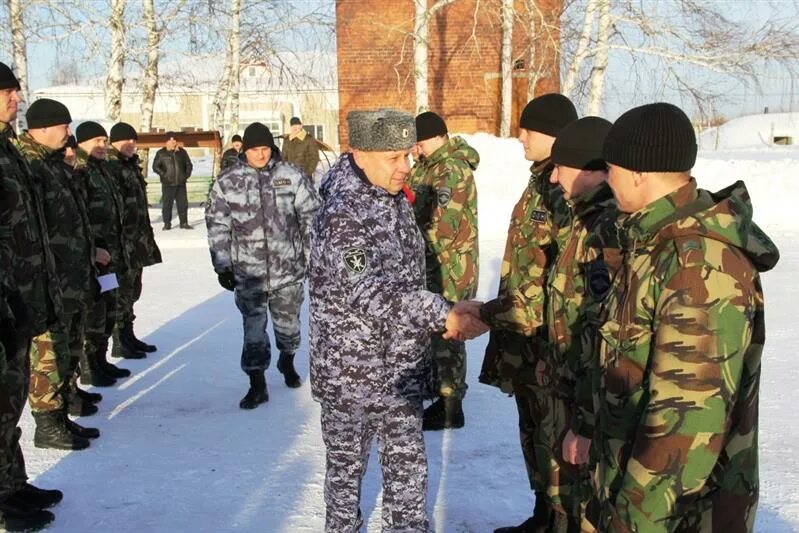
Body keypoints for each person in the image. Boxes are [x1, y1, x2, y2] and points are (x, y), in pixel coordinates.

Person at [588, 102, 779, 532]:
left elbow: (687, 426)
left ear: (638, 171)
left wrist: (631, 521)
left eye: (611, 168)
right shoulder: (650, 243)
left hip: (680, 515)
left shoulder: (699, 266)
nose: (607, 179)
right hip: (636, 498)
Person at [309, 108, 488, 532]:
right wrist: (440, 312)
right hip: (351, 375)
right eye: (393, 157)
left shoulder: (391, 200)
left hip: (401, 368)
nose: (405, 167)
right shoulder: (341, 216)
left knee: (409, 480)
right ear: (358, 153)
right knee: (345, 481)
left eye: (408, 155)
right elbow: (369, 290)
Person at [478, 93, 577, 533]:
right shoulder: (540, 180)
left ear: (553, 135)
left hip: (547, 338)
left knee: (555, 436)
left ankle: (559, 520)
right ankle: (543, 515)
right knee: (534, 429)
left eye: (528, 130)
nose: (519, 137)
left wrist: (486, 313)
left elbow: (559, 278)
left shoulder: (565, 188)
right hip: (524, 333)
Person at [206, 122, 321, 409]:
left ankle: (287, 359)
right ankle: (257, 383)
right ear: (245, 149)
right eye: (255, 149)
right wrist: (223, 265)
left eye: (266, 149)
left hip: (288, 270)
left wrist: (312, 258)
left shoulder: (291, 175)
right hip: (249, 272)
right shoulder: (227, 181)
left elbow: (311, 218)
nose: (261, 155)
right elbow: (218, 225)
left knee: (289, 327)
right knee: (254, 330)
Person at [540, 116, 619, 530]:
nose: (553, 178)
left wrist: (586, 422)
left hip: (590, 403)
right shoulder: (580, 219)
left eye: (561, 168)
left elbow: (601, 328)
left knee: (586, 505)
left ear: (591, 170)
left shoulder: (608, 230)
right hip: (568, 386)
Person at [15, 99, 101, 450]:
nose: (70, 133)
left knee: (64, 344)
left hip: (68, 273)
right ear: (44, 128)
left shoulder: (53, 163)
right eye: (64, 127)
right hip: (43, 276)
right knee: (47, 351)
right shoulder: (28, 163)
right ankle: (47, 425)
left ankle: (61, 413)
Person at [0, 61, 64, 532]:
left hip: (19, 296)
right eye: (6, 93)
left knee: (10, 399)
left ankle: (11, 485)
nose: (15, 100)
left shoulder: (8, 153)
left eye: (16, 92)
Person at [408, 111, 479, 430]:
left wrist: (407, 241)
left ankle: (452, 404)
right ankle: (437, 388)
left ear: (435, 137)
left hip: (451, 266)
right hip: (431, 262)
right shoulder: (426, 166)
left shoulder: (451, 169)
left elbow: (445, 226)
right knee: (432, 327)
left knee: (449, 330)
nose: (416, 149)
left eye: (419, 143)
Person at [74, 121, 132, 386]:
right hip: (93, 256)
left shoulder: (102, 170)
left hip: (110, 254)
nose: (101, 146)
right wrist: (92, 249)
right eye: (96, 141)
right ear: (81, 143)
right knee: (93, 312)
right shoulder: (81, 170)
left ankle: (100, 360)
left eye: (104, 141)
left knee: (107, 307)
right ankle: (87, 366)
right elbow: (78, 217)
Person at [107, 122, 162, 359]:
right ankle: (119, 342)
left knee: (131, 291)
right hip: (118, 245)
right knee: (118, 294)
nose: (130, 145)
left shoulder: (130, 166)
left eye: (133, 141)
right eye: (124, 141)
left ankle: (127, 336)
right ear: (114, 142)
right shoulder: (110, 167)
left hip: (135, 242)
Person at [152, 131, 193, 230]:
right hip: (168, 184)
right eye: (170, 140)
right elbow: (155, 167)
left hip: (180, 183)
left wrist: (185, 175)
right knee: (167, 205)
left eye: (174, 140)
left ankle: (184, 223)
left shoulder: (182, 152)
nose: (173, 142)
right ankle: (167, 224)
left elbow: (189, 165)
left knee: (183, 204)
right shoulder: (161, 153)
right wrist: (164, 175)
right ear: (166, 142)